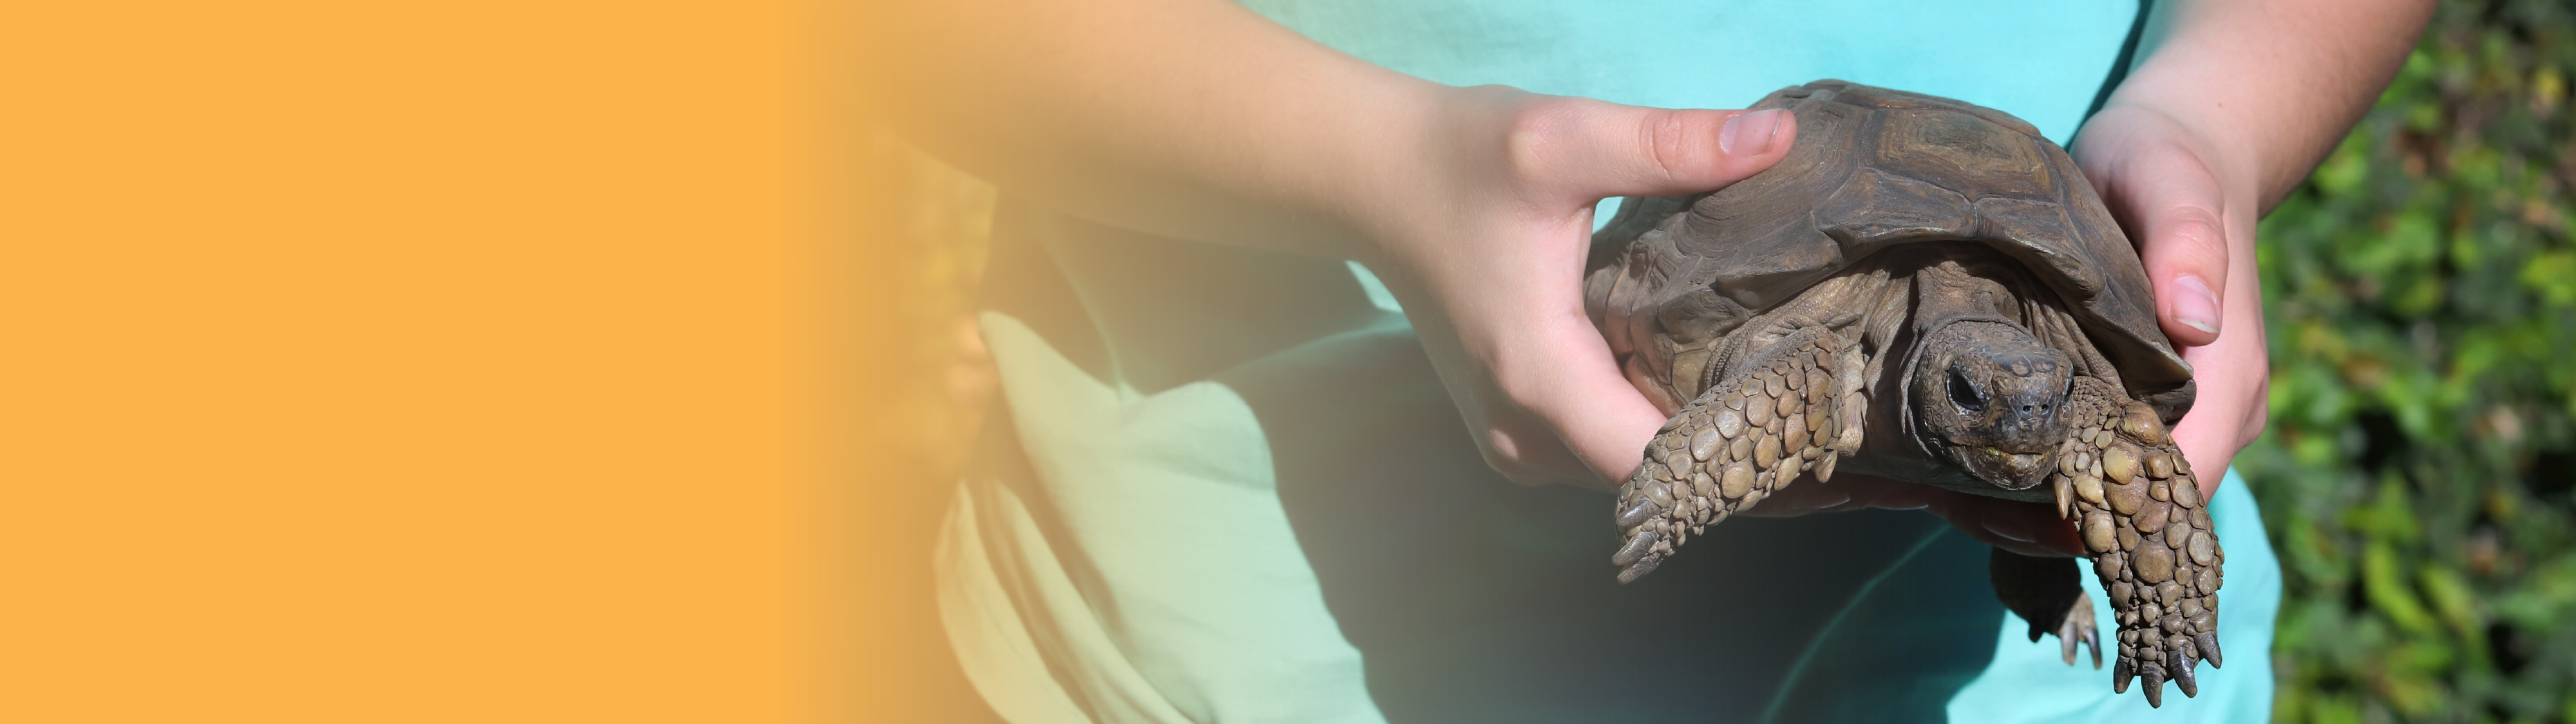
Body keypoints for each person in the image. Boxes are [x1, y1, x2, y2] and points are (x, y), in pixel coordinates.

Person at [866, 0, 2432, 721]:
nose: (2019, 429)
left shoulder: (2038, 387)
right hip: (1228, 641)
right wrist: (1373, 165)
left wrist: (2206, 125)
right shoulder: (1819, 364)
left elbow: (2071, 413)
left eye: (2025, 404)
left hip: (2005, 690)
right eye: (1977, 397)